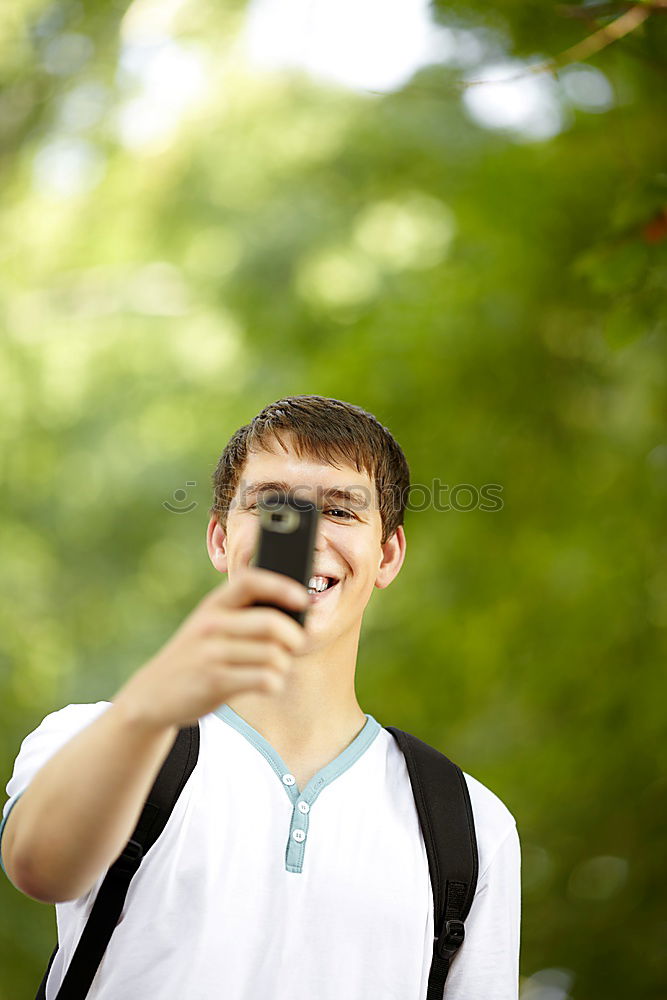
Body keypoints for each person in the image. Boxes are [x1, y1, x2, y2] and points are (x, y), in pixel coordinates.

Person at [1, 394, 521, 999]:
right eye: (275, 507)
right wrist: (152, 704)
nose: (304, 538)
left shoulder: (470, 825)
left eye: (343, 511)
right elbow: (39, 869)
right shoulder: (98, 737)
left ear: (387, 555)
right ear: (220, 539)